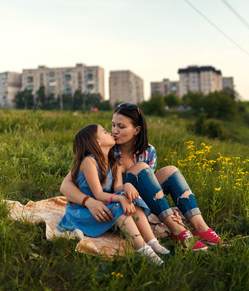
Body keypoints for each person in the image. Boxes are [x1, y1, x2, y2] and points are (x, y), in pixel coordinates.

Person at [60, 103, 226, 251]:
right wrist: (90, 202)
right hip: (117, 205)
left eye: (121, 127)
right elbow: (65, 186)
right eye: (113, 125)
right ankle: (177, 231)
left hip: (139, 201)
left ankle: (201, 227)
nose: (114, 131)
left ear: (137, 130)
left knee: (170, 170)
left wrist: (166, 207)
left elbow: (150, 189)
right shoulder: (105, 149)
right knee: (141, 168)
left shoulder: (148, 151)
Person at [58, 124, 169, 265]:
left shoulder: (114, 163)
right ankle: (145, 251)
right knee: (120, 207)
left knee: (130, 200)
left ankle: (153, 242)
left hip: (104, 204)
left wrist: (127, 186)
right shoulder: (89, 162)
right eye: (104, 132)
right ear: (97, 142)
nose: (110, 132)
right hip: (84, 209)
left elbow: (117, 187)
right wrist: (120, 198)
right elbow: (98, 194)